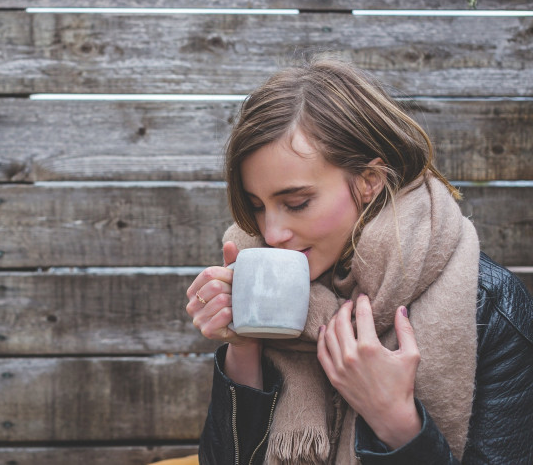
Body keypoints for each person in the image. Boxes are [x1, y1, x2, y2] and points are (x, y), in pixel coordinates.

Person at [184, 56, 533, 464]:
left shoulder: (489, 305)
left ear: (369, 181)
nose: (273, 233)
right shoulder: (262, 285)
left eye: (296, 203)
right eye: (257, 205)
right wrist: (243, 347)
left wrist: (394, 419)